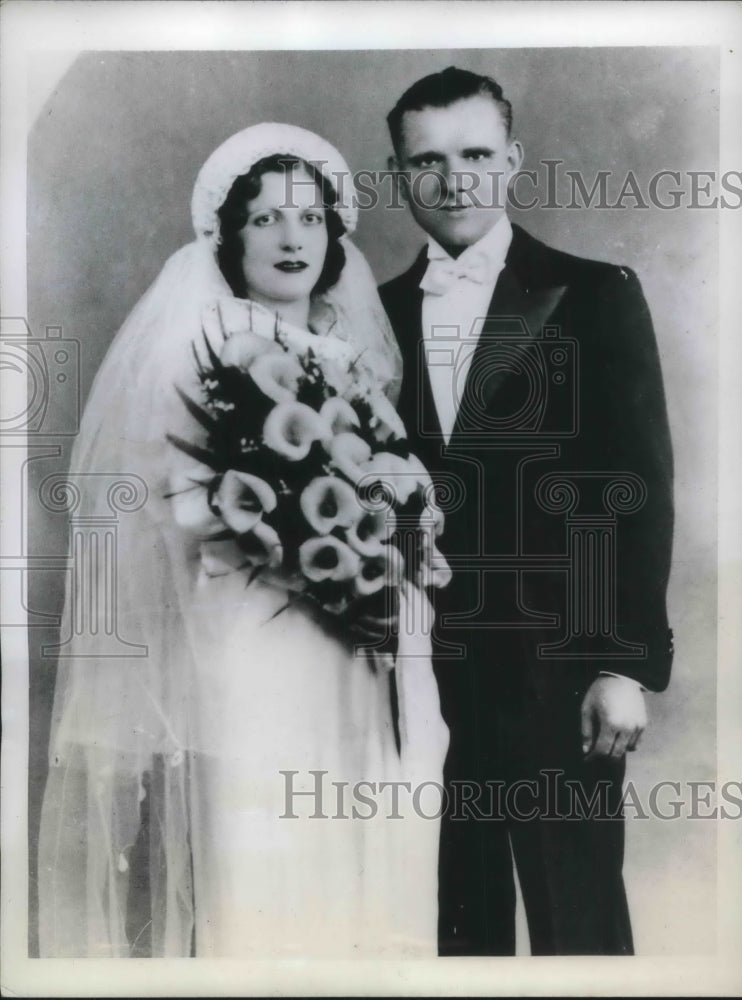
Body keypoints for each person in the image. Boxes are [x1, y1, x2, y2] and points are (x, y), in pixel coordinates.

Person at [37, 123, 448, 958]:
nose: (292, 238)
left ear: (335, 234)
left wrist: (398, 519)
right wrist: (314, 562)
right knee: (273, 842)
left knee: (371, 833)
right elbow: (177, 505)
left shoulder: (351, 353)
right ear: (229, 235)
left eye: (310, 218)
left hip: (367, 642)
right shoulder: (203, 345)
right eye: (265, 219)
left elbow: (387, 478)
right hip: (256, 636)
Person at [379, 67, 674, 955]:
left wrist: (625, 666)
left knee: (575, 923)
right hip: (424, 675)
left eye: (474, 153)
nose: (453, 179)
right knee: (454, 927)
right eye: (426, 161)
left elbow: (640, 487)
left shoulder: (593, 294)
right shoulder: (377, 315)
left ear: (510, 161)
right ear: (399, 178)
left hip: (559, 673)